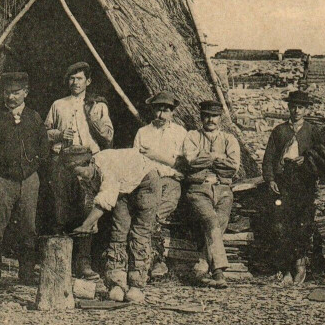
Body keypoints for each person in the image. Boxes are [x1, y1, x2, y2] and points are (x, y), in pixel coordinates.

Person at [45, 61, 113, 281]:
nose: (75, 82)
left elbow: (109, 136)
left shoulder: (98, 105)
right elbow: (44, 132)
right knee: (60, 208)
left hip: (88, 159)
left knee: (87, 208)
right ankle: (60, 263)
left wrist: (95, 120)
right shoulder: (58, 105)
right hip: (62, 159)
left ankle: (83, 262)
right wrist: (59, 134)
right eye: (72, 78)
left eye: (80, 78)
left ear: (88, 81)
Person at [0, 72, 49, 284]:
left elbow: (44, 148)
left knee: (29, 227)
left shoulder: (34, 118)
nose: (11, 97)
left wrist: (32, 167)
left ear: (25, 93)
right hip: (1, 180)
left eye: (16, 93)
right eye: (7, 93)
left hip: (29, 180)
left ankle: (26, 275)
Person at [72, 148, 160, 303]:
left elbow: (105, 199)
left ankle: (136, 285)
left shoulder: (107, 167)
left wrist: (86, 225)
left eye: (82, 173)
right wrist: (93, 222)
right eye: (77, 174)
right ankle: (117, 282)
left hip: (145, 181)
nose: (80, 178)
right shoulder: (87, 175)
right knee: (118, 232)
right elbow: (93, 197)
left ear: (91, 163)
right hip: (123, 187)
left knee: (139, 233)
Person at [262, 90, 324, 286]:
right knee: (282, 224)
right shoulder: (280, 131)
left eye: (300, 107)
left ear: (306, 109)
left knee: (303, 224)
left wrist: (307, 158)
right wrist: (271, 179)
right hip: (284, 182)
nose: (296, 110)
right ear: (288, 108)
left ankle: (300, 266)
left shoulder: (312, 131)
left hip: (304, 181)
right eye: (293, 106)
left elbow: (324, 154)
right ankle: (284, 269)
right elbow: (269, 158)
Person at [183, 100, 241, 289]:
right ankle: (218, 271)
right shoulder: (192, 136)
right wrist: (217, 157)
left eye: (214, 116)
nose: (210, 119)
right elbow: (191, 162)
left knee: (220, 220)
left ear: (220, 118)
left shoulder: (229, 139)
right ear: (201, 117)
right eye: (206, 115)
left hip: (223, 190)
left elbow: (232, 168)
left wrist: (205, 158)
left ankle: (203, 263)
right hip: (199, 189)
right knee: (211, 220)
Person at [133, 91, 187, 279]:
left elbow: (182, 163)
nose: (161, 115)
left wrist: (155, 155)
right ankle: (153, 262)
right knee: (148, 212)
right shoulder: (143, 133)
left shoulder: (180, 133)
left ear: (172, 112)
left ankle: (154, 260)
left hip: (171, 180)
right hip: (149, 179)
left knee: (158, 213)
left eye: (166, 111)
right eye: (158, 110)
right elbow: (136, 159)